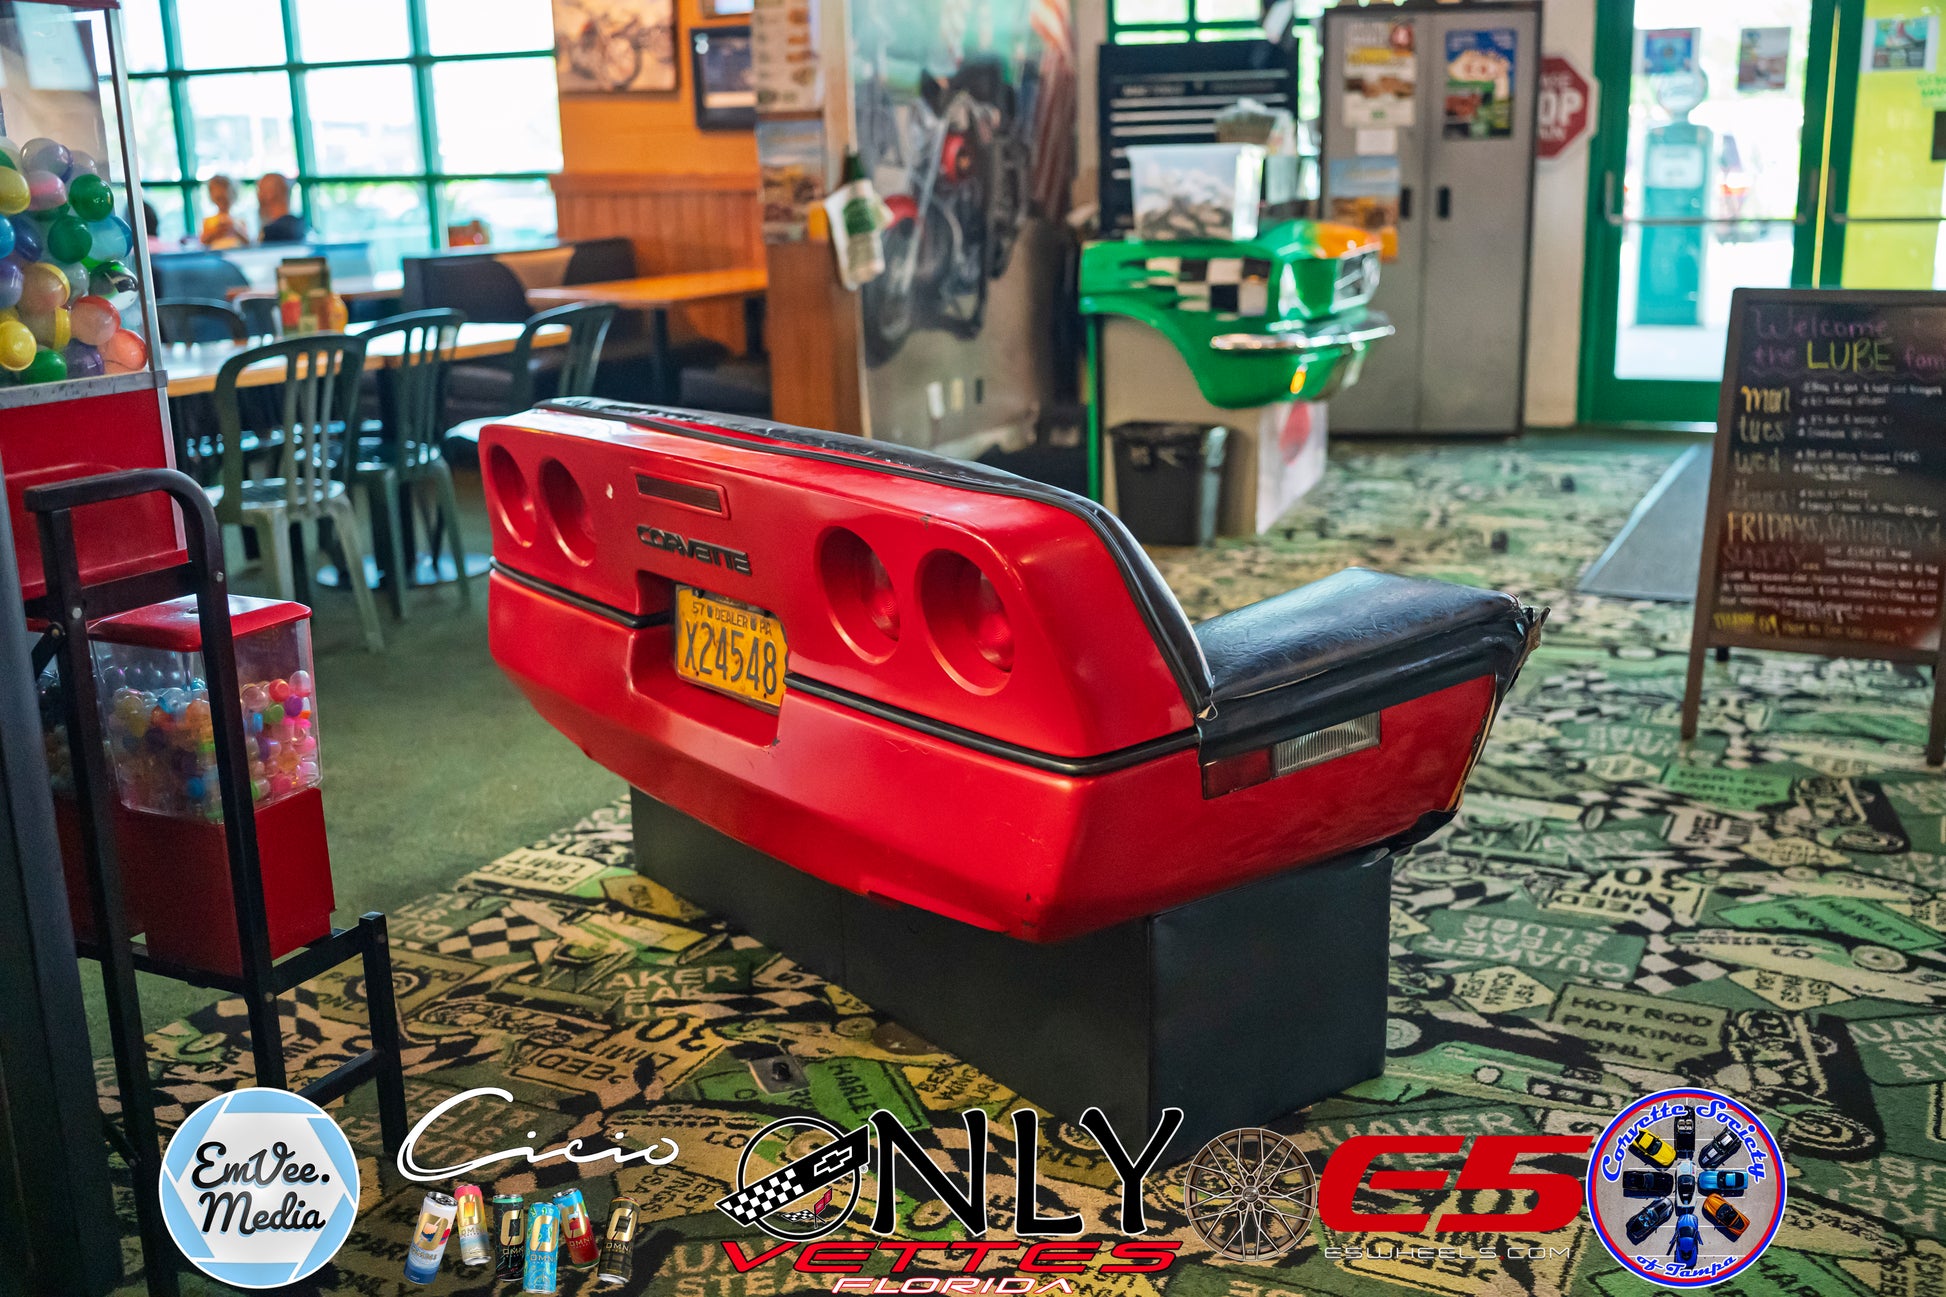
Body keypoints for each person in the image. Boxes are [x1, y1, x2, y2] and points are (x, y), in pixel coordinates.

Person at [256, 172, 309, 244]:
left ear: (270, 194)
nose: (258, 196)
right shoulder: (300, 225)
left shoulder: (272, 232)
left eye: (260, 190)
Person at [199, 175, 248, 248]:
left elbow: (247, 242)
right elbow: (203, 242)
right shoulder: (208, 221)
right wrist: (216, 231)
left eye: (225, 199)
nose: (222, 203)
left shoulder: (239, 222)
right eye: (219, 199)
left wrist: (235, 229)